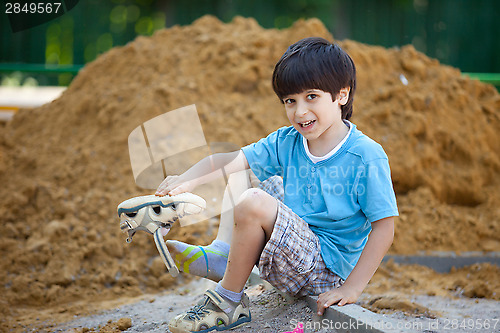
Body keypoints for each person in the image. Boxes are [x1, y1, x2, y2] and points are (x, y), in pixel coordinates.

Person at [155, 37, 398, 333]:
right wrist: (185, 180)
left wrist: (352, 288)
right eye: (290, 101)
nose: (299, 112)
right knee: (247, 171)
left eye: (312, 97)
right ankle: (223, 253)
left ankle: (227, 303)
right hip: (297, 248)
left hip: (324, 272)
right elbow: (233, 159)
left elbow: (384, 227)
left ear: (341, 95)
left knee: (254, 201)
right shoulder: (288, 142)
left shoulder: (365, 156)